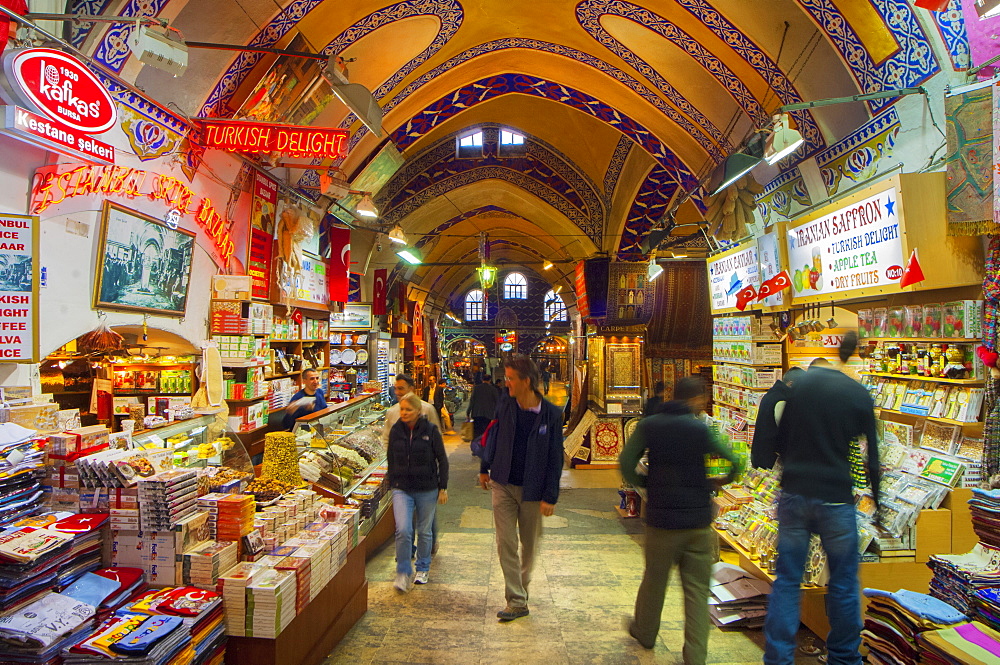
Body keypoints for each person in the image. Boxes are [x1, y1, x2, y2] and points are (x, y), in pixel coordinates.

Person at [756, 332, 879, 665]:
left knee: (787, 581)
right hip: (837, 499)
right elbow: (873, 458)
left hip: (795, 495)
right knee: (843, 582)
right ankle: (844, 657)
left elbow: (782, 439)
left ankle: (778, 658)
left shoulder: (803, 389)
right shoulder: (857, 394)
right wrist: (877, 505)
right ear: (853, 357)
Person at [618, 377, 738, 659]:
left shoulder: (650, 425)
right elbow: (734, 460)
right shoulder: (700, 429)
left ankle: (646, 633)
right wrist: (719, 480)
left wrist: (644, 482)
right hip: (697, 520)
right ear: (695, 399)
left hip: (662, 519)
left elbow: (625, 462)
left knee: (654, 580)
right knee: (696, 591)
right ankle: (695, 655)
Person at [478, 355, 563, 622]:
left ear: (526, 381)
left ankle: (521, 588)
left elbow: (555, 457)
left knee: (529, 545)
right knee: (506, 543)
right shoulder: (506, 405)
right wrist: (484, 467)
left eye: (512, 378)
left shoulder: (551, 414)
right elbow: (493, 435)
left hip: (532, 490)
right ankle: (516, 600)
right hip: (502, 482)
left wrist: (550, 495)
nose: (507, 383)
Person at [386, 393, 449, 592]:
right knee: (403, 530)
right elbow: (391, 457)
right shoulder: (396, 430)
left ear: (418, 411)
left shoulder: (430, 431)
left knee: (424, 531)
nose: (403, 413)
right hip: (402, 488)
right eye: (402, 409)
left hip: (427, 488)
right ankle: (403, 571)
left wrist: (443, 486)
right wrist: (392, 481)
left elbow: (442, 459)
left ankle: (422, 567)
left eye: (408, 410)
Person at [750, 367, 805, 468]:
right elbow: (787, 430)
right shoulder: (782, 400)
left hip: (759, 454)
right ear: (791, 384)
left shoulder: (771, 394)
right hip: (770, 460)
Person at [382, 374, 442, 445]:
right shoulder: (391, 412)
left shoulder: (427, 409)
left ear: (411, 389)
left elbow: (437, 439)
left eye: (401, 388)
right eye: (395, 388)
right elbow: (386, 439)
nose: (397, 392)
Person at [467, 375, 500, 441]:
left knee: (477, 431)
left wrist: (468, 412)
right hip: (489, 414)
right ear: (490, 380)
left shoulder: (476, 388)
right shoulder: (493, 389)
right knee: (486, 431)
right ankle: (484, 445)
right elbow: (497, 401)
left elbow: (472, 400)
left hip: (477, 413)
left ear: (482, 380)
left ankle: (476, 446)